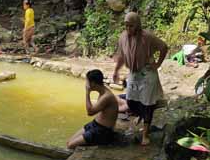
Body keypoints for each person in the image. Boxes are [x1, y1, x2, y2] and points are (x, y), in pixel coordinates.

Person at [113, 12, 168, 146]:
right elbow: (121, 56)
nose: (128, 29)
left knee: (147, 104)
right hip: (134, 73)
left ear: (137, 25)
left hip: (147, 72)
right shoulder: (123, 37)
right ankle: (144, 113)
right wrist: (116, 71)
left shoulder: (147, 37)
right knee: (131, 101)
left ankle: (145, 134)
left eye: (131, 26)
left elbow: (164, 47)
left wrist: (158, 64)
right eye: (126, 25)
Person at [67, 69, 119, 149]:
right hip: (95, 124)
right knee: (68, 142)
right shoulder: (103, 90)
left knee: (71, 145)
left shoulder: (107, 96)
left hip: (102, 131)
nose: (86, 84)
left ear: (93, 83)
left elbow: (90, 112)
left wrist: (87, 92)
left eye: (87, 81)